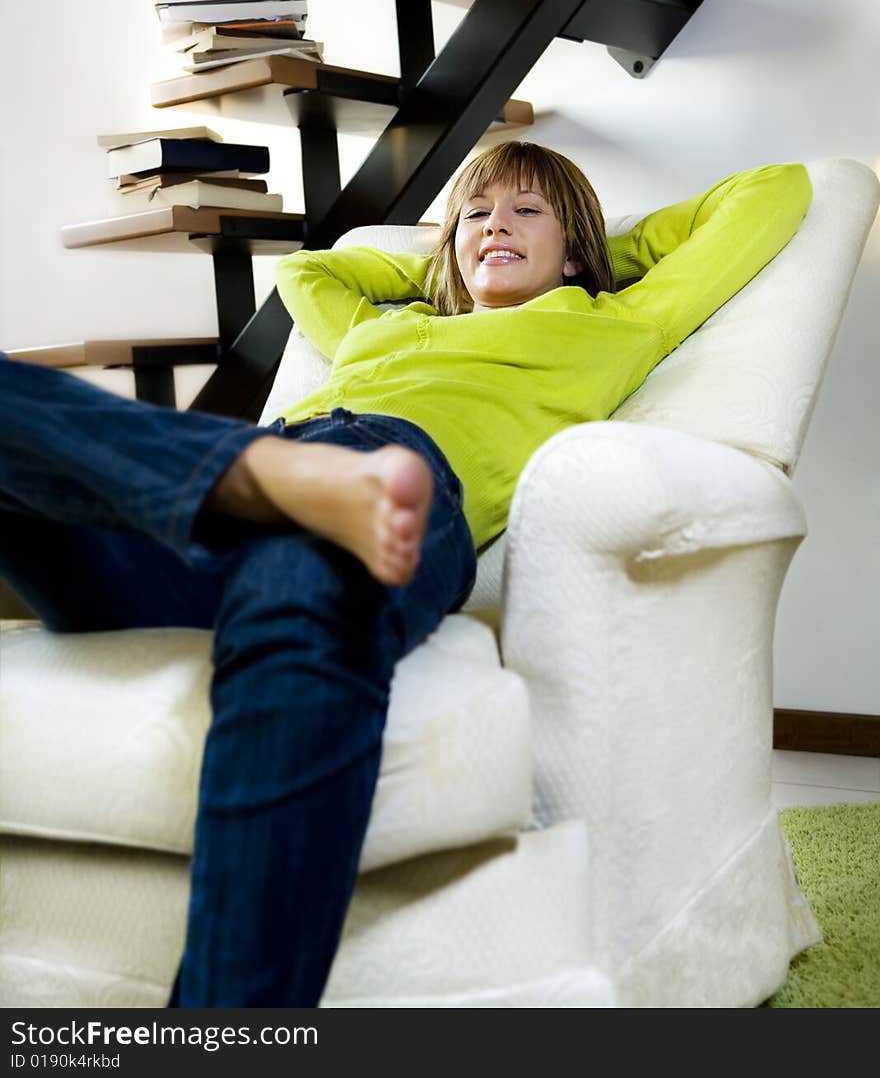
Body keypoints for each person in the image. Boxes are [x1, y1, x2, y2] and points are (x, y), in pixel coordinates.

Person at [0, 141, 812, 1007]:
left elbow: (775, 186)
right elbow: (310, 272)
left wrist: (597, 251)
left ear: (576, 248)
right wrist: (445, 265)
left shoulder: (615, 319)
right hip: (246, 489)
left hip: (395, 483)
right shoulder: (383, 324)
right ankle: (263, 478)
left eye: (527, 211)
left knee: (301, 591)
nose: (496, 223)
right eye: (478, 213)